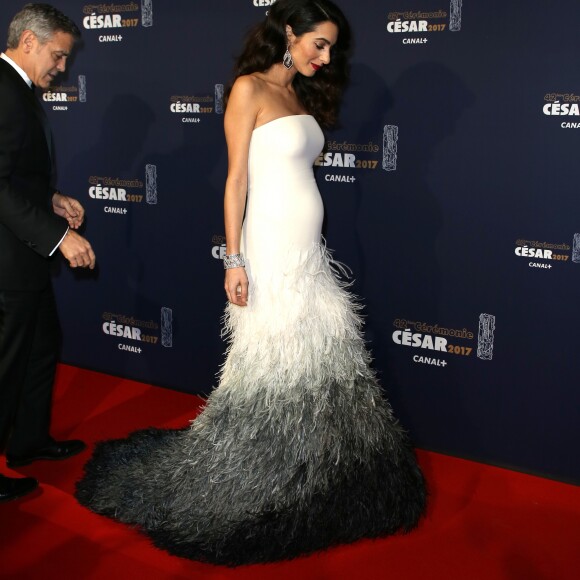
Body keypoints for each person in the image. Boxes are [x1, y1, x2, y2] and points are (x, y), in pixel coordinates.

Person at [76, 0, 426, 564]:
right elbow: (236, 180)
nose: (326, 56)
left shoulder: (299, 94)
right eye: (319, 44)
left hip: (308, 250)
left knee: (314, 358)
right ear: (289, 33)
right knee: (275, 356)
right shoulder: (249, 89)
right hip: (267, 246)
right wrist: (233, 260)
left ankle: (313, 463)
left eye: (332, 48)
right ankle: (266, 466)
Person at [0, 4, 96, 503]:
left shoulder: (20, 89)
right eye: (58, 56)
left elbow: (17, 174)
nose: (62, 67)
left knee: (40, 346)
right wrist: (59, 237)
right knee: (6, 361)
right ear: (30, 42)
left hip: (25, 255)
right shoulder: (2, 89)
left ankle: (28, 441)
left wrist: (53, 200)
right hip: (7, 261)